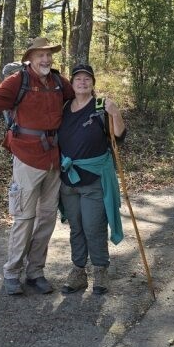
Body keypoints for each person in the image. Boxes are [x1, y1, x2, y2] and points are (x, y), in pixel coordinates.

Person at [0, 38, 73, 296]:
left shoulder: (57, 82)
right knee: (24, 218)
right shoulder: (19, 81)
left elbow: (77, 101)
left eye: (48, 55)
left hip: (54, 159)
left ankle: (35, 272)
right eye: (40, 55)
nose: (45, 59)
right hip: (27, 158)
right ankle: (11, 272)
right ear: (30, 58)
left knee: (46, 219)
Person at [58, 63, 125, 297]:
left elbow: (119, 136)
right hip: (68, 179)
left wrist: (115, 113)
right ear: (72, 83)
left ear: (93, 83)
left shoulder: (100, 107)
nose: (83, 82)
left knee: (93, 226)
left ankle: (100, 270)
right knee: (76, 227)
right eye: (78, 79)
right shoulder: (64, 107)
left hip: (94, 178)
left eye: (87, 79)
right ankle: (78, 271)